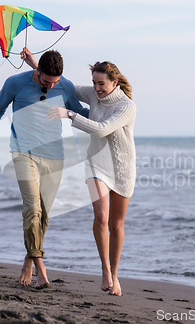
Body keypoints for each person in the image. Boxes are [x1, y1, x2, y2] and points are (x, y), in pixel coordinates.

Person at [0, 49, 89, 289]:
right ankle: (40, 268)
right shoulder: (17, 82)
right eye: (46, 81)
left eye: (54, 82)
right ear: (37, 70)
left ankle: (29, 258)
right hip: (22, 152)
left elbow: (80, 112)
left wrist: (111, 111)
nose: (50, 85)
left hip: (54, 157)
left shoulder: (64, 86)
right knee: (32, 208)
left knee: (45, 213)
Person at [42, 57, 136, 296]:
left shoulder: (126, 106)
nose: (96, 88)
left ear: (114, 82)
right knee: (101, 216)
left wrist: (69, 115)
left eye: (101, 84)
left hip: (122, 170)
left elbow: (102, 128)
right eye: (94, 83)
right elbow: (64, 84)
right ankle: (105, 269)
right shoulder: (94, 94)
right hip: (96, 165)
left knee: (116, 226)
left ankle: (115, 275)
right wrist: (37, 64)